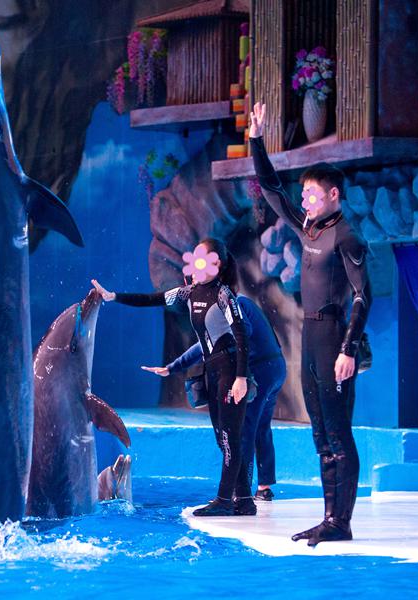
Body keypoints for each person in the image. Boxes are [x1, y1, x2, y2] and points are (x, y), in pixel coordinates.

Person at [248, 102, 372, 546]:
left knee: (338, 434)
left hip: (335, 340)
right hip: (310, 337)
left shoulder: (346, 237)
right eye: (304, 196)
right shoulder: (310, 229)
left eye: (312, 195)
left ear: (334, 195)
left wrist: (349, 351)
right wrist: (256, 139)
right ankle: (329, 519)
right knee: (320, 435)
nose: (304, 201)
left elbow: (363, 296)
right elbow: (271, 188)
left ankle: (342, 521)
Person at [91, 239, 256, 517]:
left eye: (202, 260)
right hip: (212, 370)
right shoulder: (188, 293)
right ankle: (245, 501)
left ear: (217, 264)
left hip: (230, 370)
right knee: (223, 438)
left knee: (230, 438)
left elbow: (241, 335)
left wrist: (241, 378)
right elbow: (151, 300)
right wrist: (113, 296)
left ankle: (225, 500)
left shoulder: (224, 295)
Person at [150, 293, 286, 502]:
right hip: (275, 367)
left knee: (245, 429)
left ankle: (241, 491)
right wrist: (174, 366)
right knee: (261, 427)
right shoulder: (242, 302)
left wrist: (176, 366)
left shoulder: (234, 305)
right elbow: (207, 344)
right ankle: (264, 487)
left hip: (261, 370)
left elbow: (238, 334)